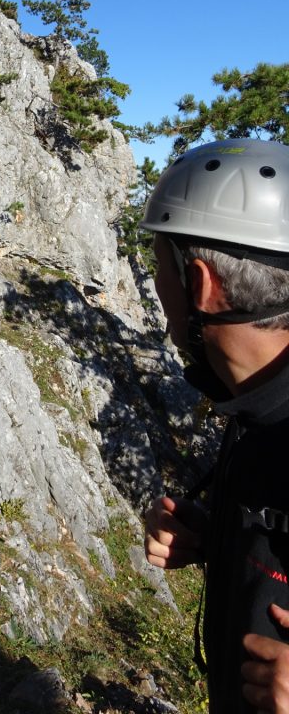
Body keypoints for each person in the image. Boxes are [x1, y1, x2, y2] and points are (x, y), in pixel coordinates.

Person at [141, 138, 289, 713]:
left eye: (160, 269)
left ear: (201, 284)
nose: (157, 288)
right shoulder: (253, 400)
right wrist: (218, 535)